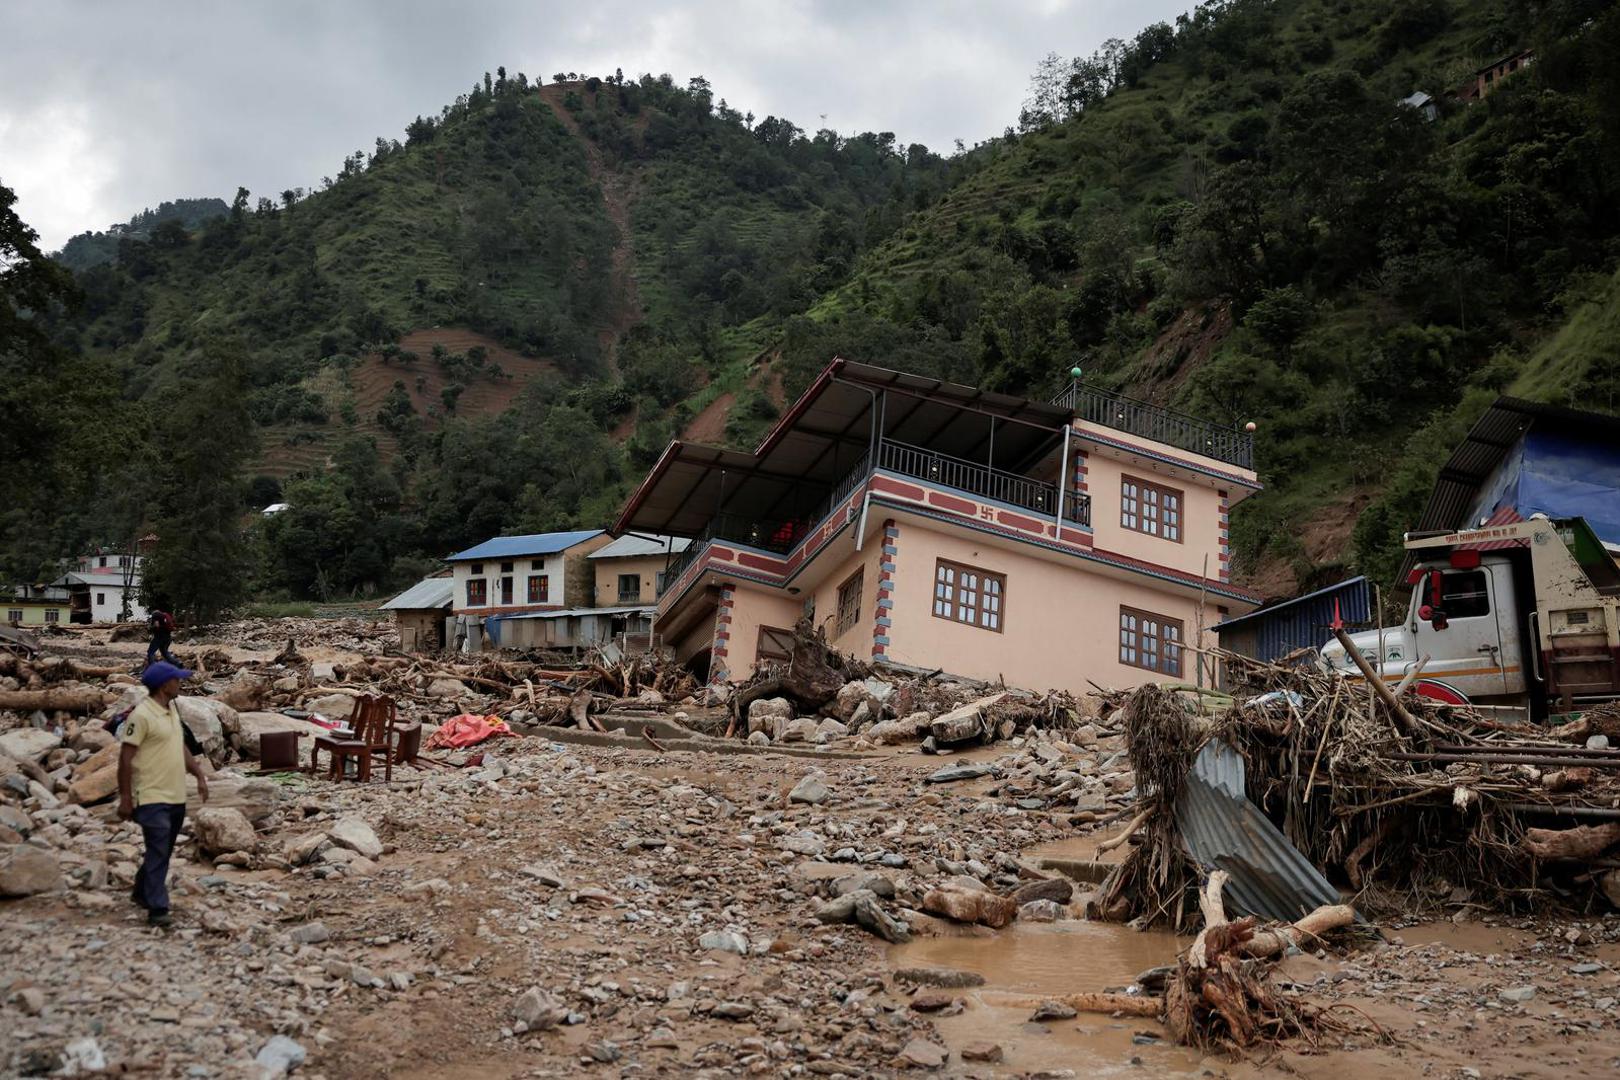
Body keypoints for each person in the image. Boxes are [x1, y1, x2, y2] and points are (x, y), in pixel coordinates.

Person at [117, 660, 208, 927]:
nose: (180, 683)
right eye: (176, 680)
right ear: (164, 685)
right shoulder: (141, 716)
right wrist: (125, 798)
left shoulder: (170, 711)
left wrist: (199, 775)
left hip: (175, 794)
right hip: (150, 795)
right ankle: (158, 908)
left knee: (163, 850)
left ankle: (141, 891)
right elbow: (125, 758)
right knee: (158, 848)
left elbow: (179, 746)